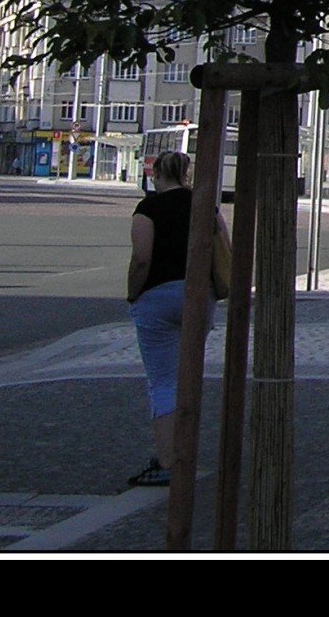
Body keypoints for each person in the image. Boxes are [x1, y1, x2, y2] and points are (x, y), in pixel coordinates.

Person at [124, 149, 225, 488]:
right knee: (189, 376)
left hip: (157, 297)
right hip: (200, 296)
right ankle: (185, 450)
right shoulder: (205, 205)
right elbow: (223, 246)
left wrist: (133, 293)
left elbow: (142, 257)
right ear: (185, 173)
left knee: (163, 381)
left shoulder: (148, 208)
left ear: (155, 175)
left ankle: (169, 460)